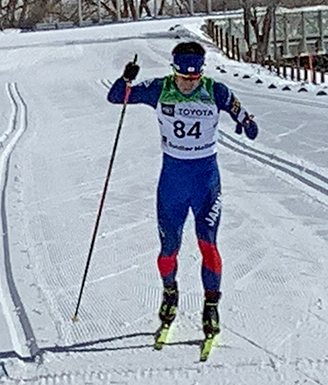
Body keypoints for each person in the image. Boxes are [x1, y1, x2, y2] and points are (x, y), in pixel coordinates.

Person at [106, 41, 258, 339]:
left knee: (208, 244)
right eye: (184, 77)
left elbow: (243, 116)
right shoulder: (159, 89)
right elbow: (115, 97)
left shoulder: (216, 91)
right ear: (174, 70)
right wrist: (127, 79)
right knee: (168, 249)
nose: (189, 83)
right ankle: (170, 292)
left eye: (194, 77)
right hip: (172, 182)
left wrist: (247, 122)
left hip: (205, 181)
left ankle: (211, 306)